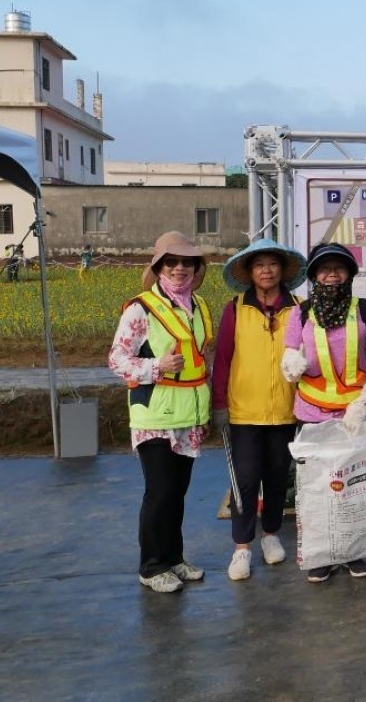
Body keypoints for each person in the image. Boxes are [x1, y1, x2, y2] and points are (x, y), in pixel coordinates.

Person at [108, 231, 213, 593]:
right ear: (158, 267)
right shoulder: (141, 309)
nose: (180, 268)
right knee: (160, 492)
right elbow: (117, 360)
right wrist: (157, 366)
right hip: (154, 415)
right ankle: (152, 566)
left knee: (177, 492)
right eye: (172, 262)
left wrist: (206, 410)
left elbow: (200, 361)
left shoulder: (198, 307)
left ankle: (173, 558)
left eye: (187, 262)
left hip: (188, 414)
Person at [280, 241, 366, 583]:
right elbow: (290, 354)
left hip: (357, 416)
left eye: (339, 268)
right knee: (316, 489)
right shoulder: (301, 312)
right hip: (313, 414)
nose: (332, 274)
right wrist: (292, 364)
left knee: (356, 489)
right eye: (324, 269)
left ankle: (354, 553)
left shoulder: (365, 309)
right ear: (314, 276)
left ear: (349, 274)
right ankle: (321, 555)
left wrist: (364, 402)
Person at [211, 239, 307, 582]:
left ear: (282, 270)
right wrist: (219, 404)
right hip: (244, 412)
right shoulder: (234, 309)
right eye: (259, 265)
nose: (266, 270)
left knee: (278, 478)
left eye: (272, 264)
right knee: (245, 481)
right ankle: (241, 547)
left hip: (285, 409)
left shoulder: (299, 308)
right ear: (250, 272)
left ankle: (270, 535)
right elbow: (222, 360)